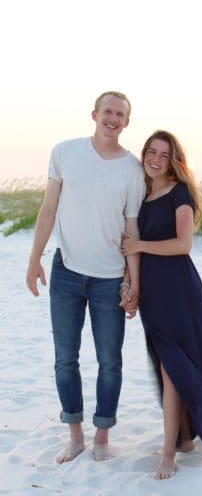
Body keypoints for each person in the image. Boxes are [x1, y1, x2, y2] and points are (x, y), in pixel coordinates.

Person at [121, 130, 202, 480]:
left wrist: (140, 247)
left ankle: (169, 454)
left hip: (180, 293)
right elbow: (129, 247)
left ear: (174, 160)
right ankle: (182, 439)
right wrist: (130, 286)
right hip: (153, 296)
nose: (155, 159)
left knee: (173, 368)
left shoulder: (179, 193)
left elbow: (183, 244)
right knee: (167, 367)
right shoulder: (141, 195)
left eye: (163, 154)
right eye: (151, 152)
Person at [26, 92, 145, 464]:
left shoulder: (133, 169)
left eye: (120, 114)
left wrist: (132, 281)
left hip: (110, 279)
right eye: (107, 111)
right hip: (66, 273)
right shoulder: (65, 152)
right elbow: (48, 208)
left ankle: (102, 437)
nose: (113, 118)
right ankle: (75, 436)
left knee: (110, 361)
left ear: (127, 122)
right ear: (94, 114)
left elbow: (131, 230)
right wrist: (34, 260)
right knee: (65, 358)